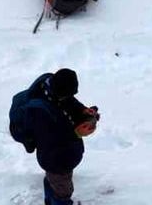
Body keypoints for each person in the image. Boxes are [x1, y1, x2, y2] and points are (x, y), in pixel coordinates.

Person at [9, 69, 101, 205]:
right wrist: (76, 133)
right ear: (60, 92)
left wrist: (82, 110)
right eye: (67, 94)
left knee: (55, 184)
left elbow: (69, 102)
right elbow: (53, 140)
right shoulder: (40, 113)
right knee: (63, 191)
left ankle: (50, 198)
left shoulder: (53, 88)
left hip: (62, 157)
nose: (70, 96)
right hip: (55, 161)